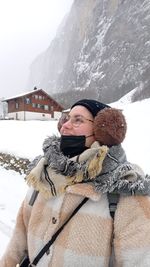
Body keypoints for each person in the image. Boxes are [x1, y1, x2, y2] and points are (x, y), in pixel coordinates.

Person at [1, 99, 150, 267]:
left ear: (103, 130)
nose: (65, 126)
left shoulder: (126, 191)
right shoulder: (45, 175)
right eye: (66, 119)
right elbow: (18, 240)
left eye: (78, 120)